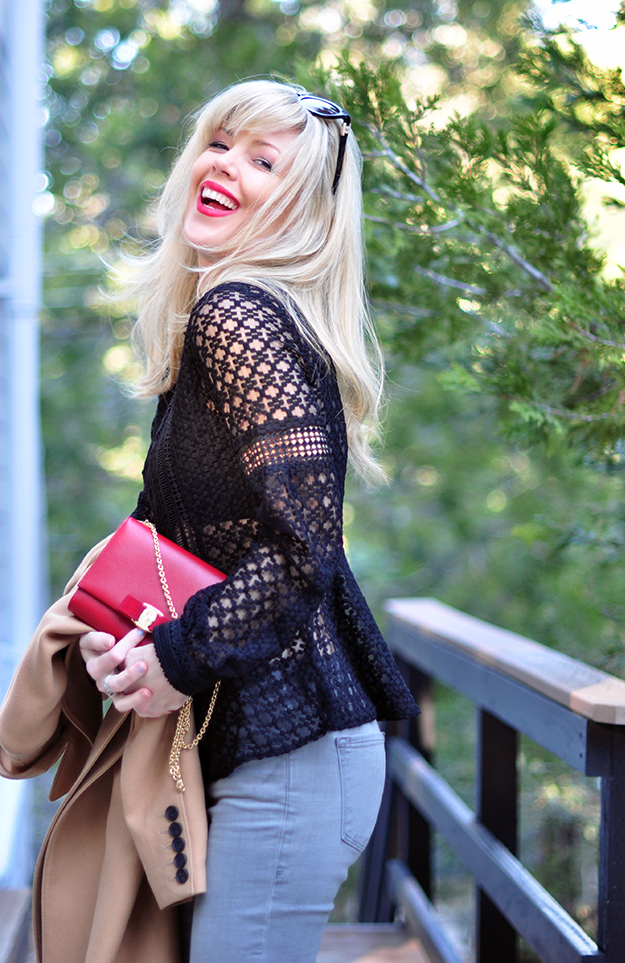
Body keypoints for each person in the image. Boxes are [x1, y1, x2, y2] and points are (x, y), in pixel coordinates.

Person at [77, 79, 419, 963]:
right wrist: (122, 641)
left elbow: (301, 552)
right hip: (262, 756)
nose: (224, 165)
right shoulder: (219, 319)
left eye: (263, 160)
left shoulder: (241, 317)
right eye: (221, 143)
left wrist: (177, 659)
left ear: (302, 208)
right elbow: (175, 550)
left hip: (291, 765)